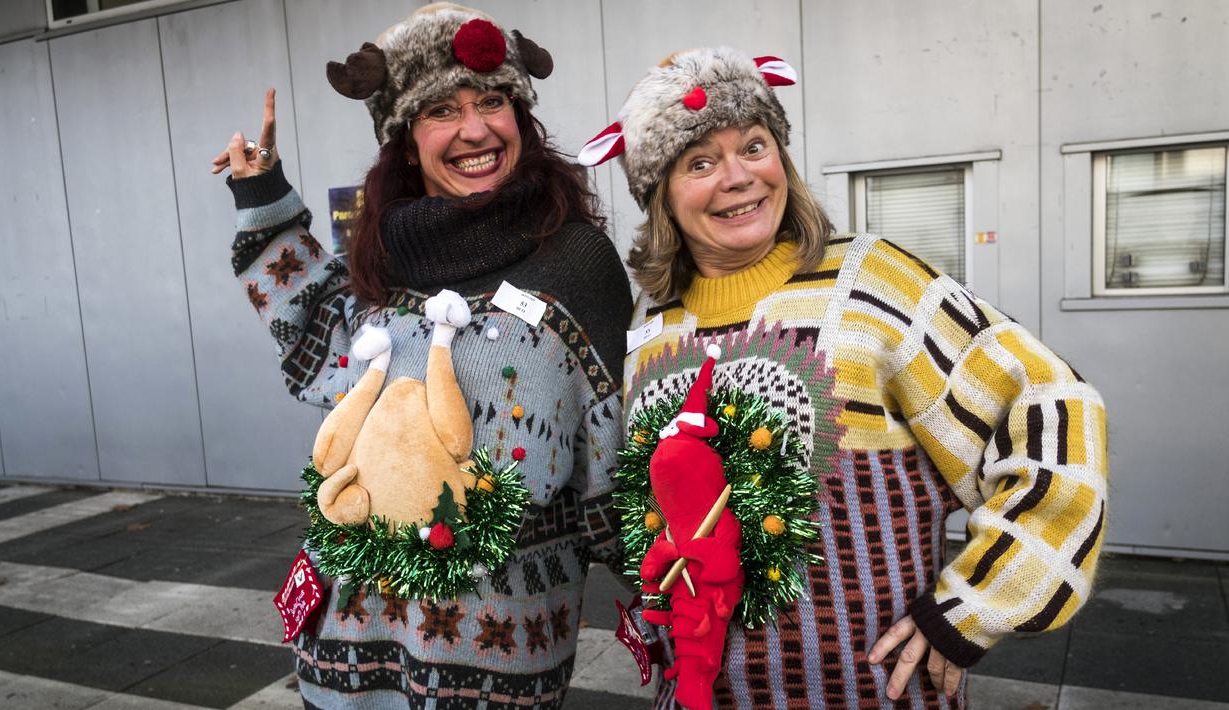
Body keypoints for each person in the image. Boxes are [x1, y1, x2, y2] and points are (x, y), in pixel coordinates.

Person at [579, 47, 1108, 708]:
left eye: (753, 145)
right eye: (699, 163)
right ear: (659, 195)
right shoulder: (651, 325)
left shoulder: (871, 286)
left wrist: (970, 609)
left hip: (871, 693)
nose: (738, 177)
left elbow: (1048, 407)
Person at [212, 4, 631, 708]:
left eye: (493, 100)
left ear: (519, 120)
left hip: (493, 653)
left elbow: (616, 452)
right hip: (346, 647)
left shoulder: (575, 264)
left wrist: (682, 597)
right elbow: (322, 334)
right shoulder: (385, 260)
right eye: (441, 110)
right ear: (406, 142)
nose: (474, 129)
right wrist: (262, 194)